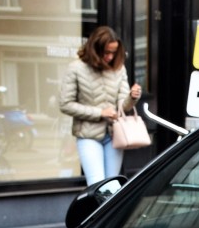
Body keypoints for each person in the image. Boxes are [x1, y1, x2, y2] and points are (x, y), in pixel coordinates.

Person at [59, 26, 143, 185]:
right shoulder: (76, 68)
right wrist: (100, 113)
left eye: (114, 52)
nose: (110, 57)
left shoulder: (119, 68)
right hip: (88, 135)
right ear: (95, 49)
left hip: (114, 134)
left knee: (112, 185)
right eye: (106, 52)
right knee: (97, 185)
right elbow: (65, 104)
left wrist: (132, 97)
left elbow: (122, 106)